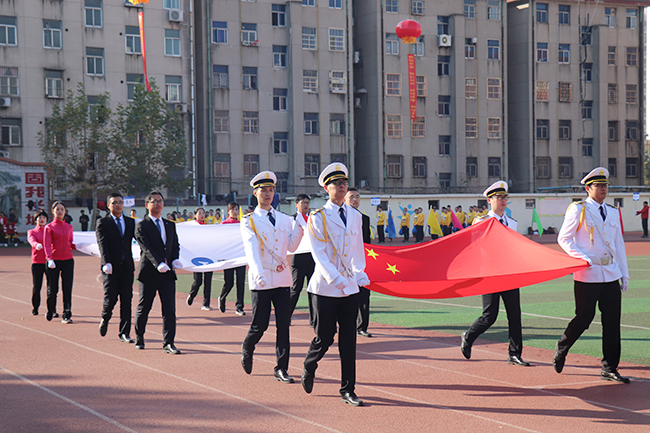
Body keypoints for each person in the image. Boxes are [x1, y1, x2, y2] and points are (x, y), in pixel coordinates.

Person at [553, 167, 630, 383]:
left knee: (612, 323)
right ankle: (562, 347)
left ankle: (610, 368)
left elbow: (618, 244)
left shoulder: (612, 212)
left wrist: (624, 273)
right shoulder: (578, 209)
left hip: (610, 274)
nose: (603, 189)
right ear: (588, 188)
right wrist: (582, 258)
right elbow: (564, 238)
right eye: (599, 185)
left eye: (605, 185)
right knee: (584, 318)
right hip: (588, 274)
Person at [301, 163, 369, 407]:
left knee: (349, 340)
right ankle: (310, 364)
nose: (341, 187)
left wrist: (359, 273)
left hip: (349, 287)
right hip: (325, 287)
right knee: (325, 337)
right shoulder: (318, 217)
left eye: (344, 183)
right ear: (326, 188)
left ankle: (348, 389)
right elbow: (318, 253)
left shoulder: (355, 215)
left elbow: (357, 248)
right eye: (336, 183)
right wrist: (335, 278)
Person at [240, 171, 304, 383]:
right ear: (255, 193)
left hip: (282, 278)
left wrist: (300, 228)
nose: (267, 194)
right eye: (263, 190)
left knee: (283, 326)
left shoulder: (284, 219)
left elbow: (292, 246)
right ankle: (248, 347)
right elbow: (251, 249)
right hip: (262, 279)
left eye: (271, 190)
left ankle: (281, 368)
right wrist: (258, 273)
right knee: (260, 324)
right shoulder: (249, 220)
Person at [460, 181, 530, 367]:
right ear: (489, 201)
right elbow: (474, 247)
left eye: (505, 197)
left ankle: (514, 354)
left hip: (509, 274)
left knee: (515, 315)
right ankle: (468, 336)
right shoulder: (481, 221)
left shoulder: (512, 223)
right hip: (490, 274)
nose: (503, 200)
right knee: (489, 316)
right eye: (499, 197)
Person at [134, 191, 183, 354]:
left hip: (167, 273)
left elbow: (174, 245)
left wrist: (174, 259)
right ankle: (139, 336)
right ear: (146, 205)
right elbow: (146, 248)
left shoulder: (170, 225)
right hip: (149, 273)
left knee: (169, 309)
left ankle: (169, 342)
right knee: (144, 307)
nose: (157, 203)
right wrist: (158, 263)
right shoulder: (142, 225)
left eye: (160, 201)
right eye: (154, 201)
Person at [96, 193, 136, 343]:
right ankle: (105, 318)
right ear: (108, 205)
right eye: (114, 203)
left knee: (126, 300)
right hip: (111, 267)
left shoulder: (130, 222)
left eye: (120, 202)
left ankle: (124, 333)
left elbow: (140, 239)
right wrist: (106, 262)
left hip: (127, 267)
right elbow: (102, 243)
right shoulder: (103, 222)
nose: (118, 205)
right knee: (111, 298)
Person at [345, 188, 373, 338]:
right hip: (344, 263)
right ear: (344, 199)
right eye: (351, 197)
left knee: (364, 295)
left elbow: (367, 244)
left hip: (360, 263)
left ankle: (362, 327)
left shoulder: (364, 219)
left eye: (357, 197)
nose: (355, 200)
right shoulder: (339, 218)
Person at [44, 201, 76, 324]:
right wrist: (49, 259)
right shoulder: (49, 227)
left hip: (68, 260)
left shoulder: (69, 227)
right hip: (54, 260)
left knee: (67, 288)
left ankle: (67, 313)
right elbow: (47, 244)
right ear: (53, 211)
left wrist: (80, 245)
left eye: (62, 209)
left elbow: (70, 242)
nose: (60, 211)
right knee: (53, 289)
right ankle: (51, 309)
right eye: (57, 209)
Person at [288, 194, 316, 326]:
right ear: (296, 204)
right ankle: (286, 316)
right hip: (298, 259)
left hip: (312, 259)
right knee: (295, 289)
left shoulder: (313, 219)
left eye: (307, 203)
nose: (305, 205)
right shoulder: (291, 220)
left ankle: (314, 319)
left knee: (313, 290)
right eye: (303, 202)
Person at [218, 202, 247, 315]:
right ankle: (222, 297)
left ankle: (239, 307)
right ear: (228, 211)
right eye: (232, 209)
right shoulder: (224, 224)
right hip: (229, 257)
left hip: (240, 257)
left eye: (236, 209)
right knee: (229, 282)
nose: (235, 212)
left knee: (241, 282)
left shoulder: (242, 224)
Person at [187, 207, 214, 311]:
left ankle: (206, 303)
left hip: (208, 257)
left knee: (208, 280)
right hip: (196, 257)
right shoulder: (192, 227)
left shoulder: (208, 227)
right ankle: (192, 294)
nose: (202, 215)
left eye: (203, 213)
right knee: (198, 280)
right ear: (195, 215)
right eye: (200, 213)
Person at [28, 210, 49, 316]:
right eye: (39, 218)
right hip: (37, 262)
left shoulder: (49, 231)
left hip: (49, 261)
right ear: (35, 220)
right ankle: (35, 307)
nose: (42, 219)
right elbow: (31, 240)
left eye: (44, 218)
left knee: (51, 286)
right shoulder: (32, 232)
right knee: (37, 286)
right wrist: (36, 245)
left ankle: (51, 308)